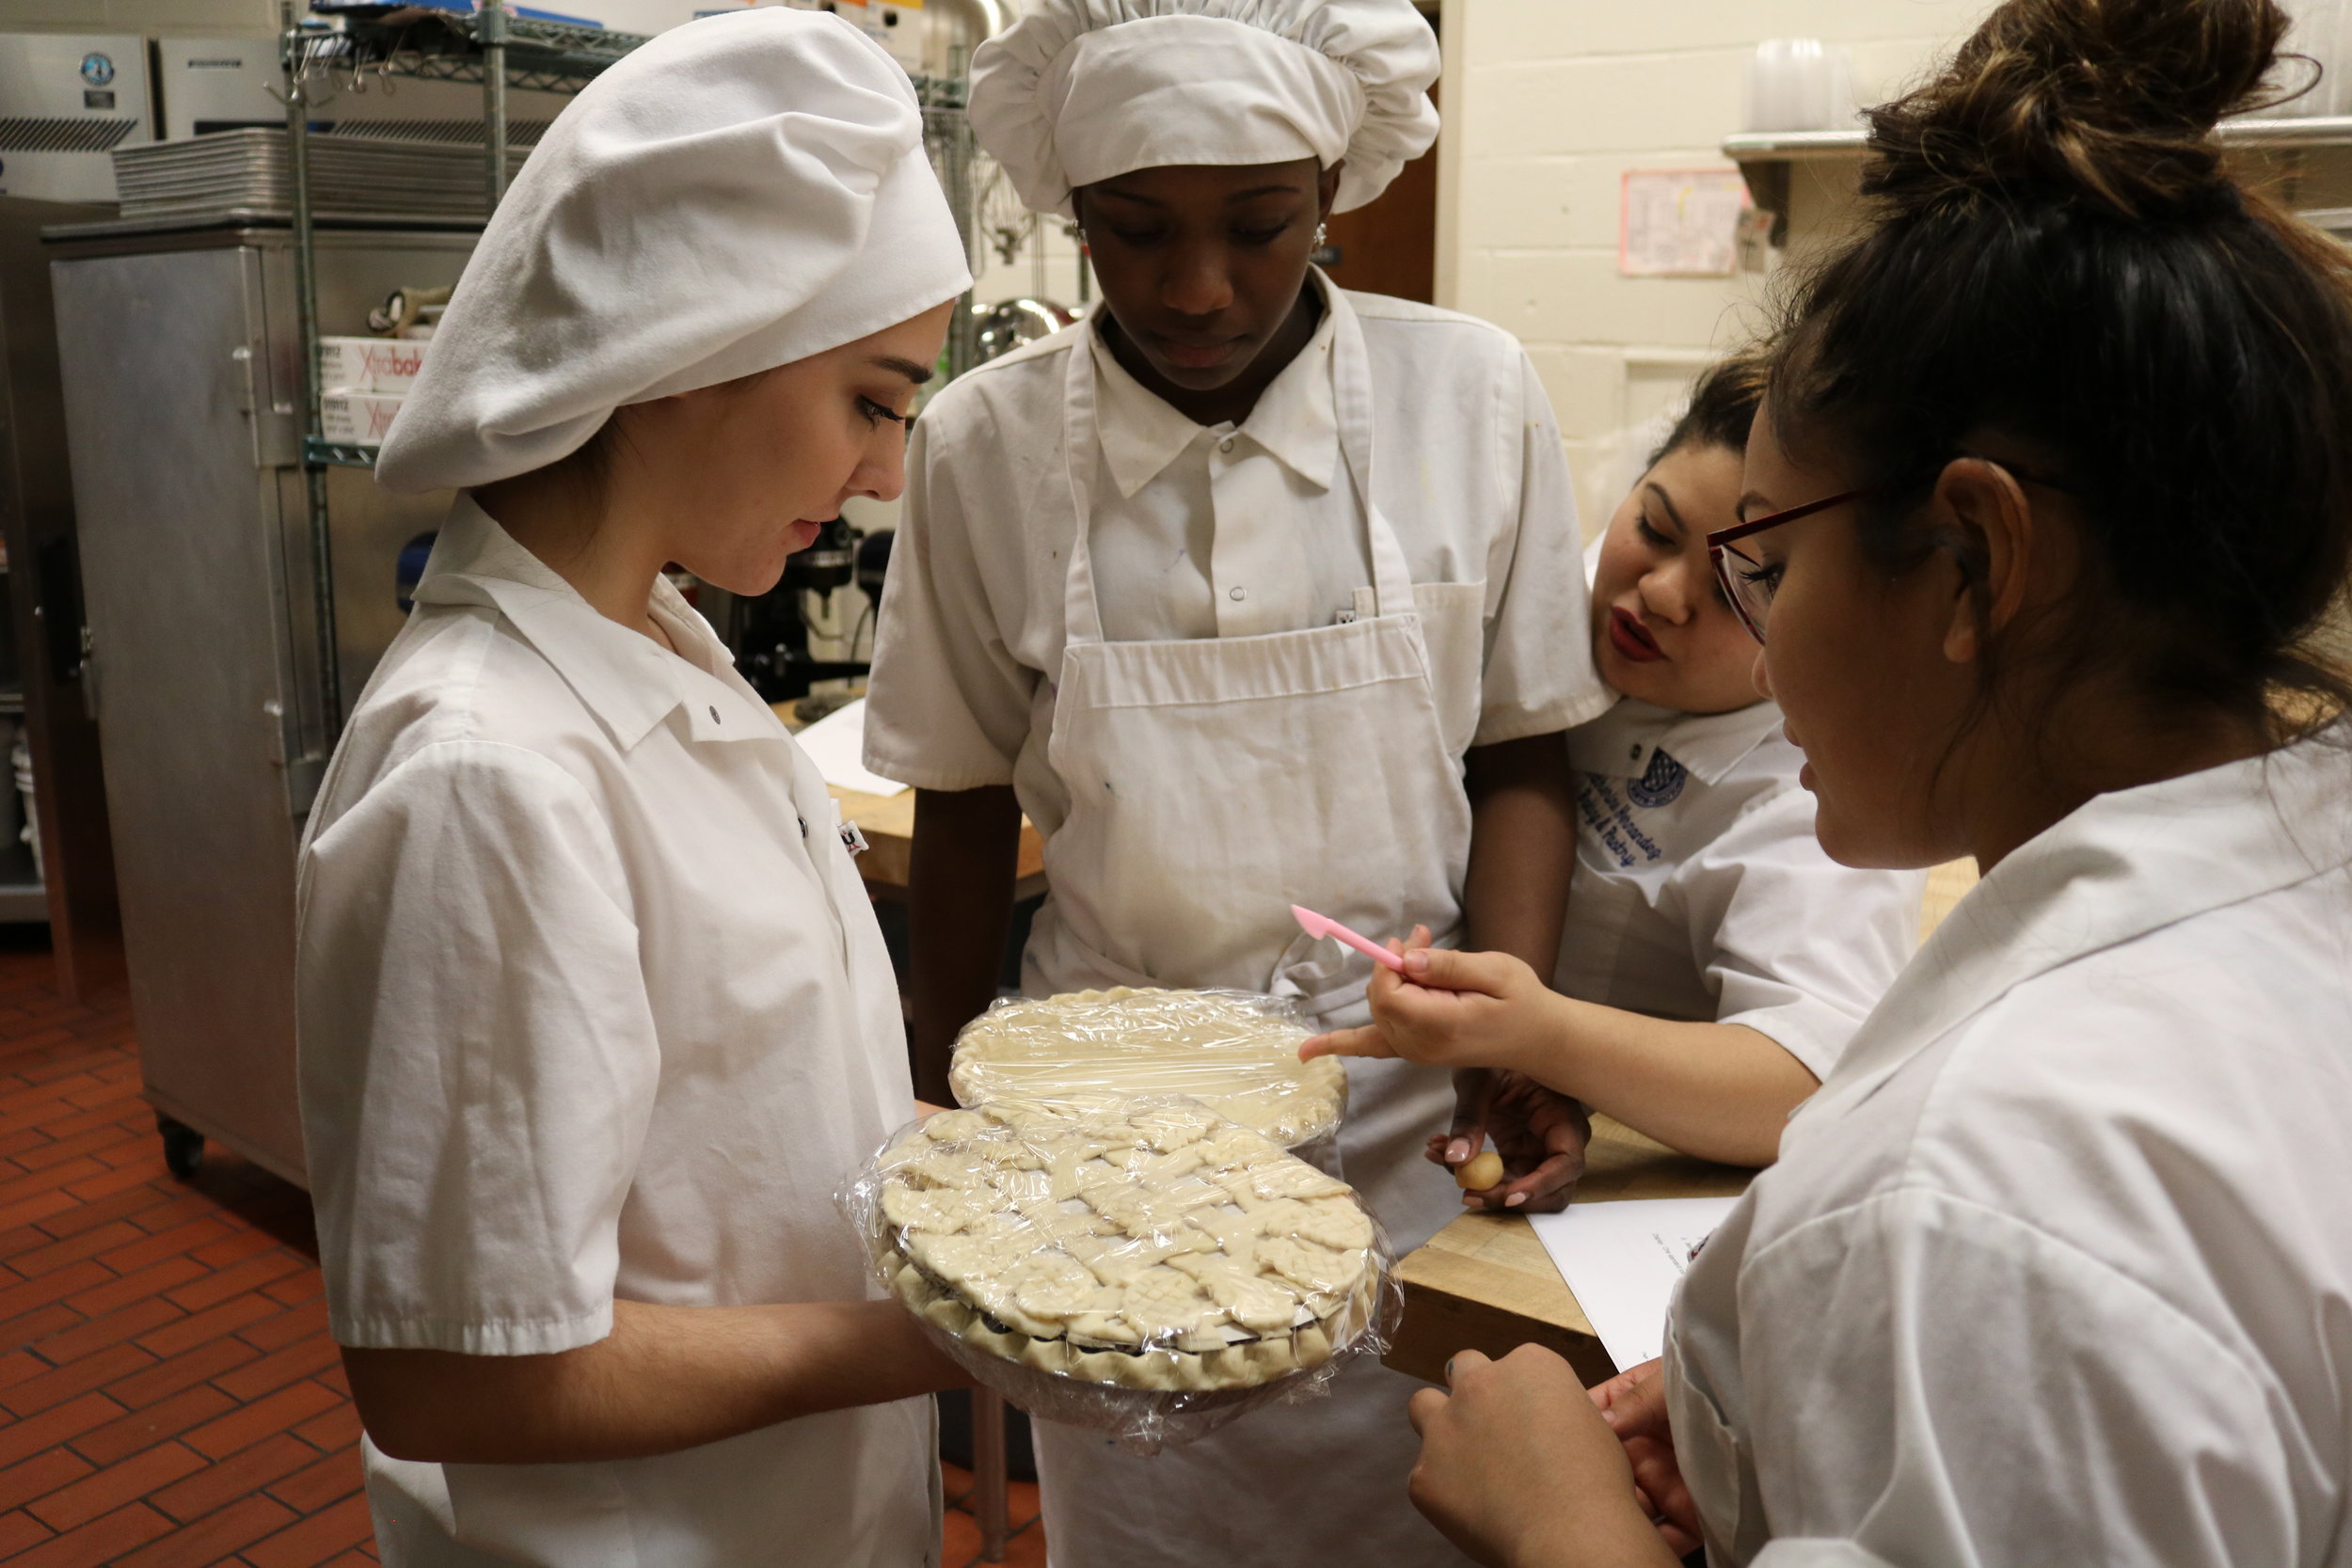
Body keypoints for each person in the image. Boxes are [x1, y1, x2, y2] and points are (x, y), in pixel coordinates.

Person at [1392, 0, 2352, 1562]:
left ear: (1971, 563)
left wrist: (1565, 1527)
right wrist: (1756, 1411)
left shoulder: (1984, 1198)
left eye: (1764, 557)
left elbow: (2006, 1296)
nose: (1736, 626)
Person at [861, 1, 1607, 1560]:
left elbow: (1525, 738)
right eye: (1133, 233)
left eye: (1260, 227)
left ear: (1335, 183)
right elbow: (960, 788)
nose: (1196, 289)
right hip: (1103, 1137)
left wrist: (1510, 1019)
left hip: (1413, 1116)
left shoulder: (1467, 394)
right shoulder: (983, 445)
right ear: (1069, 210)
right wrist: (939, 1090)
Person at [294, 13, 978, 1565]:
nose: (886, 472)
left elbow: (736, 1118)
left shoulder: (660, 651)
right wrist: (951, 1337)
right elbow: (450, 1372)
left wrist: (992, 1182)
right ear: (695, 346)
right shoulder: (491, 775)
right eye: (874, 400)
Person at [1308, 355, 1928, 1187]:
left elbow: (1806, 1085)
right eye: (1657, 530)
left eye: (1739, 583)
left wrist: (1546, 1038)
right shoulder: (1561, 605)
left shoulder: (1810, 787)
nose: (1663, 593)